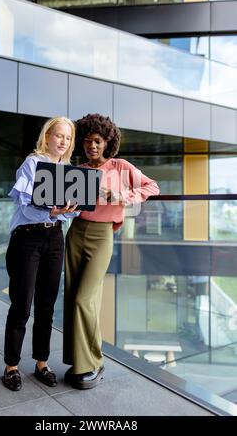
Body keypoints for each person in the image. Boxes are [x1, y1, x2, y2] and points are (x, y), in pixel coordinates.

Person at [63, 113, 160, 389]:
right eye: (86, 141)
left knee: (85, 299)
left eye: (97, 141)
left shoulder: (120, 167)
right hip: (76, 232)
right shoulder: (78, 170)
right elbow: (71, 206)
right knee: (72, 297)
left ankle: (94, 361)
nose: (91, 146)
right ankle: (78, 360)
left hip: (102, 235)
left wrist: (123, 197)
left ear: (107, 142)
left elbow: (152, 185)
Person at [3, 116, 78, 391]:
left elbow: (76, 208)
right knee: (22, 303)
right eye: (59, 135)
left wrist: (70, 208)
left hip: (55, 237)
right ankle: (11, 366)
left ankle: (41, 363)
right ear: (47, 137)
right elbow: (25, 205)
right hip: (28, 237)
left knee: (46, 304)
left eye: (68, 138)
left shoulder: (69, 170)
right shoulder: (33, 163)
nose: (63, 141)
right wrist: (52, 211)